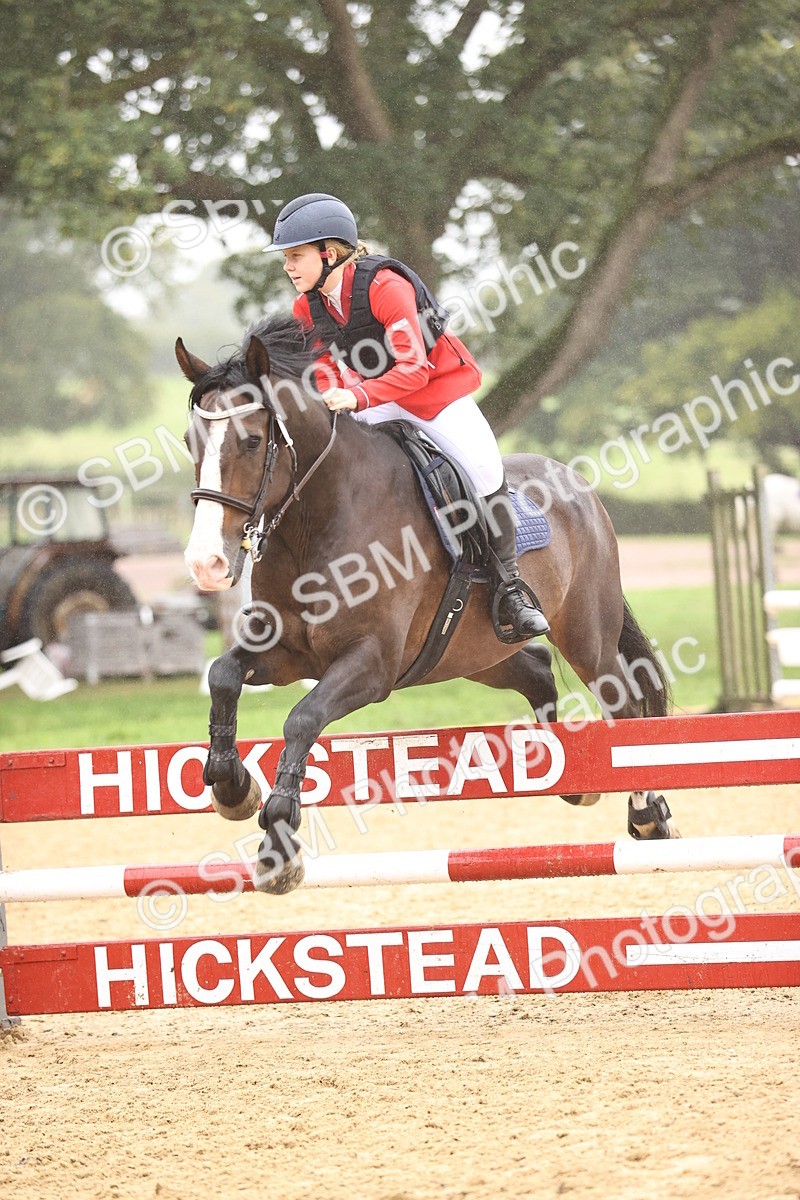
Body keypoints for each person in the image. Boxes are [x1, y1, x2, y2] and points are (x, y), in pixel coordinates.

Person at [266, 192, 549, 642]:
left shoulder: (385, 288)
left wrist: (356, 397)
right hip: (374, 398)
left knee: (482, 469)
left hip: (436, 393)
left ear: (329, 252)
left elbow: (413, 370)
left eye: (295, 256)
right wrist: (330, 394)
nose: (288, 267)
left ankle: (510, 587)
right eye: (286, 258)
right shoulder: (307, 306)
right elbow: (323, 367)